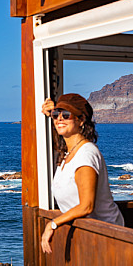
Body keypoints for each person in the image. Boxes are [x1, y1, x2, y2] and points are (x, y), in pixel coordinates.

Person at [41, 93, 124, 254]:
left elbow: (86, 205)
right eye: (56, 115)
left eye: (66, 115)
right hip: (92, 238)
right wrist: (49, 113)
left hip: (110, 239)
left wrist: (53, 224)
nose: (59, 119)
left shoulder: (86, 154)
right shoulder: (68, 154)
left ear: (81, 120)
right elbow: (58, 132)